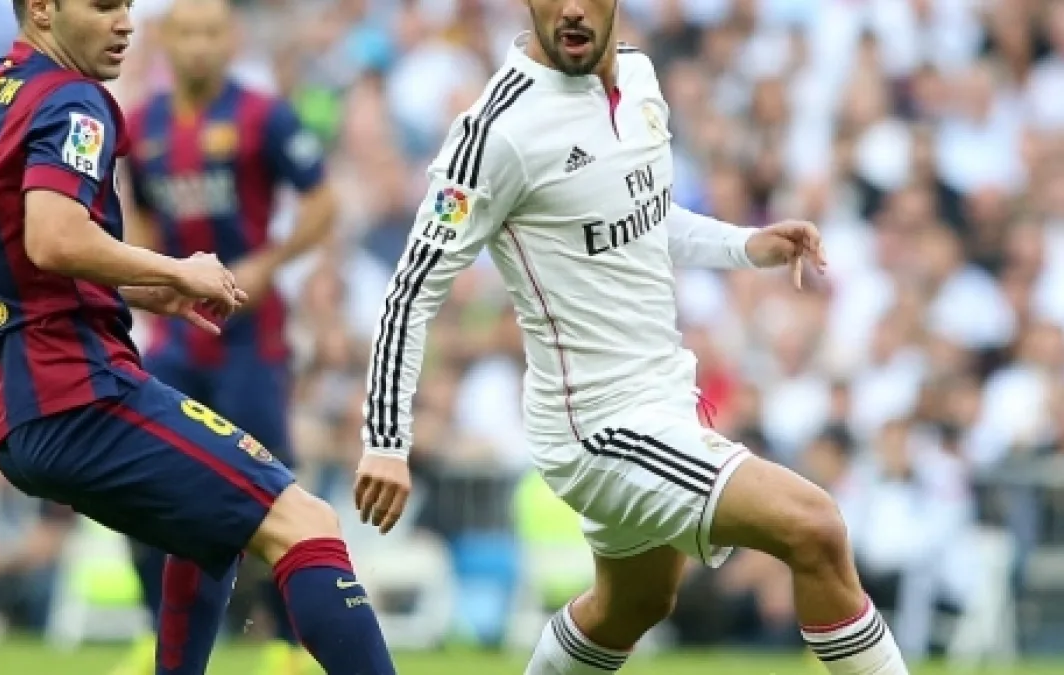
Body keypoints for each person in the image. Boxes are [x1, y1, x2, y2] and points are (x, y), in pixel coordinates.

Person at [353, 2, 911, 674]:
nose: (572, 7)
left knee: (633, 604)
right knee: (814, 526)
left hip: (662, 395)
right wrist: (385, 441)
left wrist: (745, 245)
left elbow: (644, 214)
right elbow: (411, 288)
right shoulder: (496, 132)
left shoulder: (641, 79)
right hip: (597, 424)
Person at [0, 1, 394, 674]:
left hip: (15, 399)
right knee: (304, 520)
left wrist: (138, 288)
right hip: (78, 392)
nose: (125, 22)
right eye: (103, 5)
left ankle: (263, 647)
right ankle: (290, 647)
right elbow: (55, 237)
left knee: (204, 530)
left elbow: (16, 260)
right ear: (41, 9)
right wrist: (176, 269)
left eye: (128, 5)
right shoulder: (74, 100)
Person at [118, 0, 335, 672]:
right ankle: (154, 635)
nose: (199, 47)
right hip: (177, 342)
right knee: (144, 486)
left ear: (231, 39)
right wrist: (156, 279)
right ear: (167, 40)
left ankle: (286, 645)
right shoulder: (142, 126)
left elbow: (323, 203)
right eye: (187, 34)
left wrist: (269, 263)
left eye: (211, 33)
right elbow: (142, 215)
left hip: (250, 343)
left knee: (269, 491)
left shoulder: (264, 116)